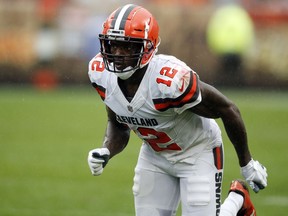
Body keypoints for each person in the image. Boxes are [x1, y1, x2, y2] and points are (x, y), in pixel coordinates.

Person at [87, 4, 267, 216]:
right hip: (155, 156)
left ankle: (238, 199)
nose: (118, 54)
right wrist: (107, 149)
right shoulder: (100, 73)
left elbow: (228, 109)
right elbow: (118, 123)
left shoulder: (170, 81)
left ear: (147, 48)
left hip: (197, 152)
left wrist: (246, 164)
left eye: (127, 47)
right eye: (113, 45)